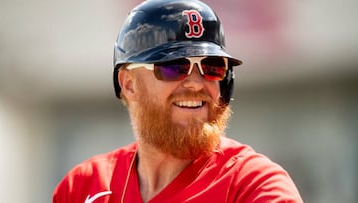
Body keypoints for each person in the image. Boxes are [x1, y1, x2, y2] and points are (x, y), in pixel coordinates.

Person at [53, 0, 303, 202]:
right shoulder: (83, 186)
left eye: (212, 67)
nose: (196, 83)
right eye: (174, 67)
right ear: (129, 84)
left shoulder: (253, 184)